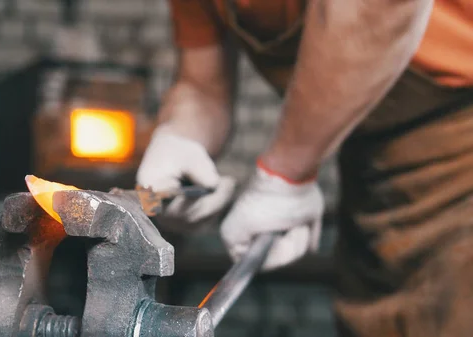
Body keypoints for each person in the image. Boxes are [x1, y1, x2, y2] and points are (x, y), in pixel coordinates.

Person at [136, 0, 473, 336]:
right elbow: (202, 86)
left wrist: (284, 174)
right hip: (372, 161)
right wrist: (179, 135)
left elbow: (381, 8)